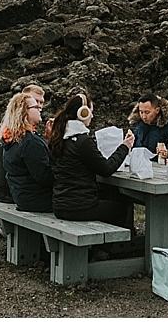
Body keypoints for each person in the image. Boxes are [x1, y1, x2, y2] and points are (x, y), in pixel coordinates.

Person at [48, 91, 135, 229]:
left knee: (108, 203)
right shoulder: (83, 141)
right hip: (80, 207)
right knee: (121, 209)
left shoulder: (59, 138)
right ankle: (109, 248)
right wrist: (125, 146)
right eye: (91, 112)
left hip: (60, 205)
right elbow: (106, 169)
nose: (92, 116)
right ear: (83, 113)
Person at [0, 85, 46, 205]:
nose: (39, 106)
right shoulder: (13, 134)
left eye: (41, 102)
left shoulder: (15, 130)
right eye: (35, 101)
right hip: (11, 194)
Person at [1, 90, 54, 212]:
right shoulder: (29, 141)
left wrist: (48, 138)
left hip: (23, 197)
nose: (40, 109)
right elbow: (45, 177)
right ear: (25, 112)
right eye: (35, 106)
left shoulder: (12, 137)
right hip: (38, 199)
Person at [127, 92, 168, 160]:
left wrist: (166, 153)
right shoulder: (137, 123)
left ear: (157, 110)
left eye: (147, 112)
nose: (144, 116)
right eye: (141, 112)